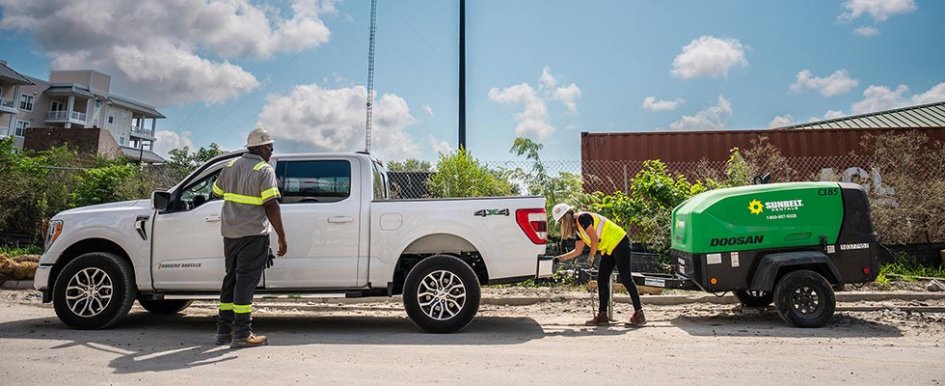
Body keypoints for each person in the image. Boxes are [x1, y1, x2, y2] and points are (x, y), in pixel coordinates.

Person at [211, 127, 287, 348]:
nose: (271, 152)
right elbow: (271, 205)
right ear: (261, 147)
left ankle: (223, 331)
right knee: (245, 281)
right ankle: (243, 333)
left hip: (230, 233)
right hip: (253, 233)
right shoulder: (264, 170)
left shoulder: (230, 166)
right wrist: (282, 237)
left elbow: (217, 192)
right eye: (270, 148)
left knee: (231, 279)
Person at [552, 203, 645, 327]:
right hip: (610, 248)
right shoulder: (578, 229)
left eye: (560, 222)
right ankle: (602, 316)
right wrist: (558, 259)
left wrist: (591, 256)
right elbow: (578, 251)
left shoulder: (582, 218)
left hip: (620, 242)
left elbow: (595, 239)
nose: (560, 225)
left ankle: (639, 314)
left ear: (565, 218)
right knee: (602, 279)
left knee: (626, 279)